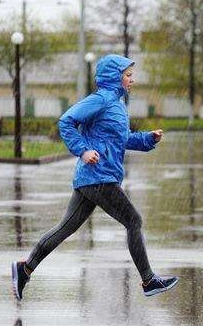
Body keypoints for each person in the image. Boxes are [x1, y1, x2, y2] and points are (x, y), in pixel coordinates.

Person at [11, 54, 178, 301]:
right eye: (128, 75)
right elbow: (66, 121)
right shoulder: (100, 99)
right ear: (115, 76)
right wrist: (82, 150)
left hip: (94, 178)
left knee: (65, 229)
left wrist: (147, 139)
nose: (132, 80)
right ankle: (148, 280)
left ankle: (24, 269)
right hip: (98, 176)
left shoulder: (117, 105)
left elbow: (121, 139)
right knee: (133, 220)